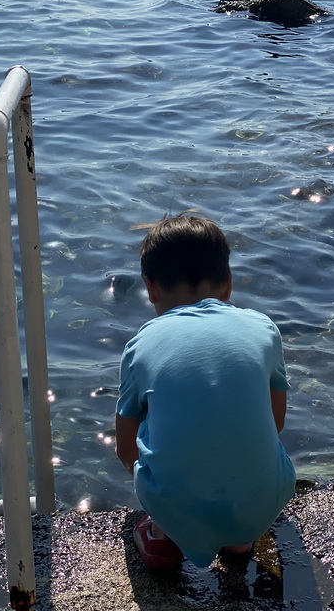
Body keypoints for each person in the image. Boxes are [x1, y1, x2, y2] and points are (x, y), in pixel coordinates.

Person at [116, 214, 296, 570]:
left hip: (177, 506)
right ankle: (241, 539)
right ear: (228, 284)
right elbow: (276, 423)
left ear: (150, 287)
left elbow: (125, 450)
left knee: (156, 432)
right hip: (263, 502)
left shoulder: (140, 345)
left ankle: (162, 535)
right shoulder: (263, 328)